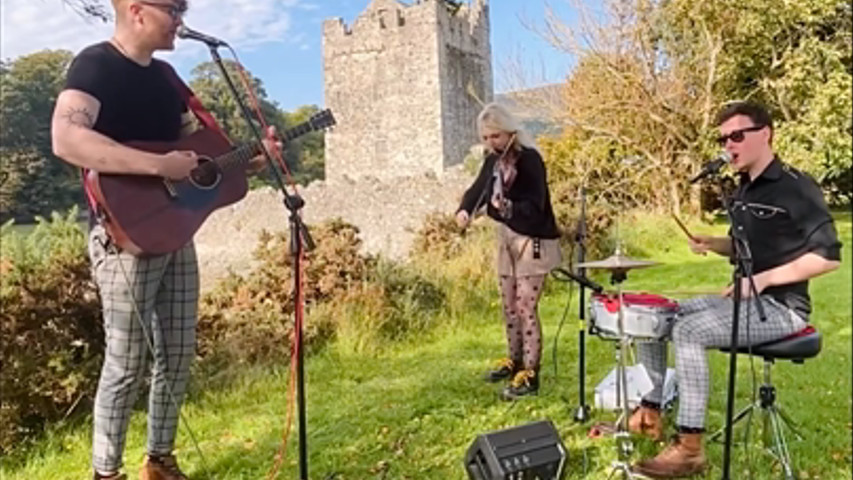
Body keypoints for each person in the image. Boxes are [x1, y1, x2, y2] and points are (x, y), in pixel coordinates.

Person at [50, 1, 277, 478]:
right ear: (137, 10)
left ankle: (160, 460)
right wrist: (157, 165)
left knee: (177, 351)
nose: (182, 19)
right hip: (124, 238)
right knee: (127, 361)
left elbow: (198, 161)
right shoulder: (96, 65)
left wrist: (250, 161)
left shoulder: (168, 79)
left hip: (175, 231)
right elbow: (66, 138)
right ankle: (106, 472)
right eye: (174, 8)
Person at [630, 101, 841, 478]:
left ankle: (690, 448)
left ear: (766, 133)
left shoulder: (797, 187)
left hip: (782, 309)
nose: (728, 145)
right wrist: (713, 243)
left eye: (737, 136)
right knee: (656, 315)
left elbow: (827, 258)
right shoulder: (742, 189)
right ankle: (651, 408)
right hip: (745, 298)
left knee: (688, 331)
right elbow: (748, 245)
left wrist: (763, 279)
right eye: (724, 138)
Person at [455, 102, 562, 400]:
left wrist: (509, 207)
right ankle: (513, 361)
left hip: (534, 239)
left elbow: (536, 204)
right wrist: (465, 210)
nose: (492, 143)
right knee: (509, 306)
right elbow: (477, 191)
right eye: (486, 138)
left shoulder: (530, 160)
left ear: (510, 131)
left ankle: (531, 373)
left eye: (496, 137)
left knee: (526, 307)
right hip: (507, 238)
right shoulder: (491, 161)